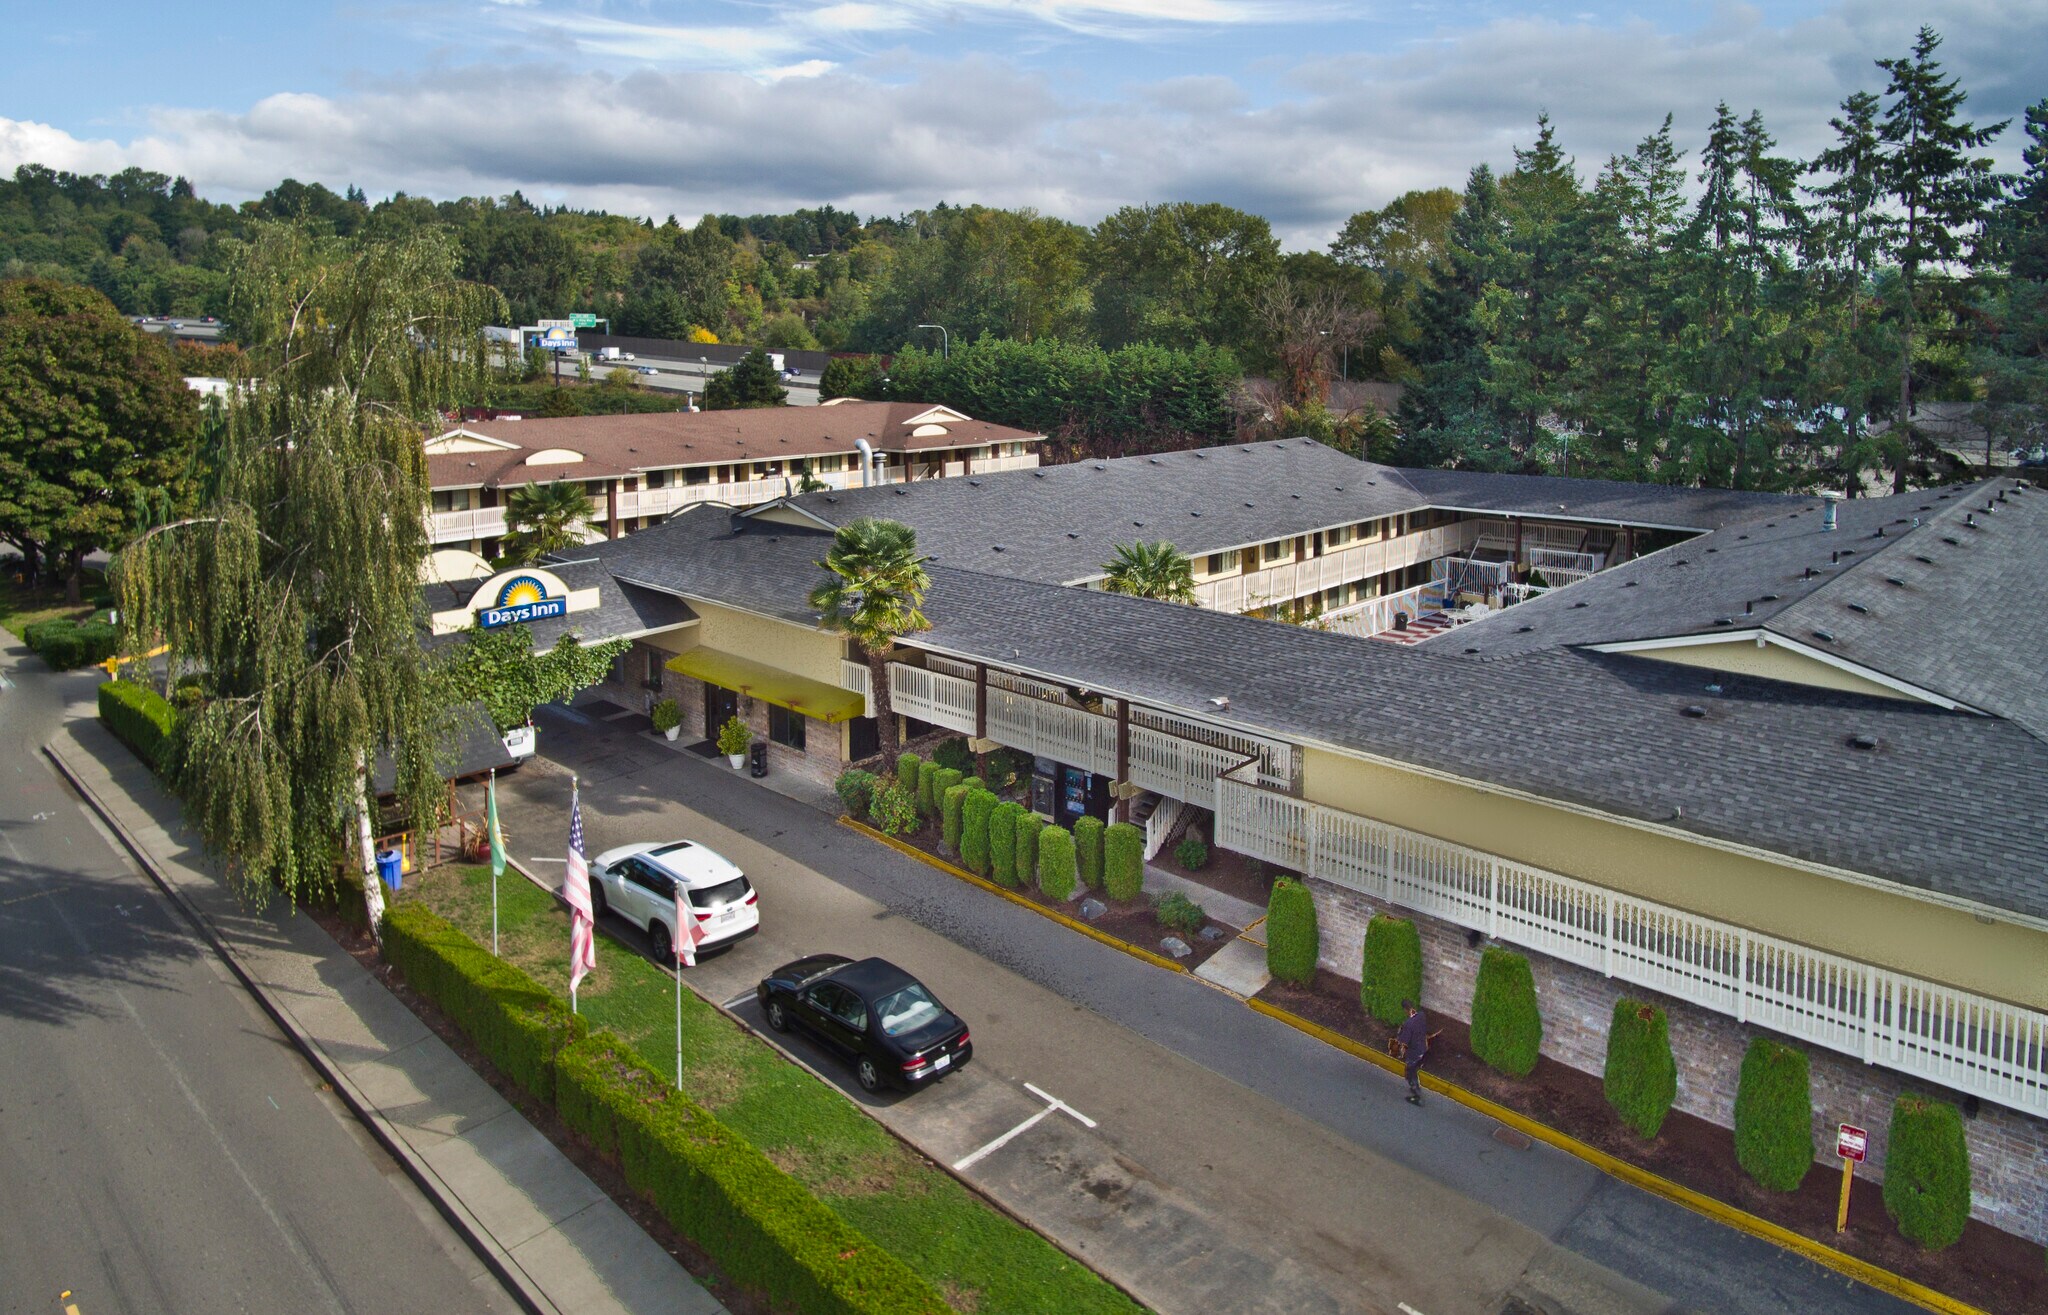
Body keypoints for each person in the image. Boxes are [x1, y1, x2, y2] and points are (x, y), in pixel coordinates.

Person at [1396, 998, 1429, 1106]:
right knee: (1413, 1069)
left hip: (1414, 1052)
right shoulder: (1421, 1015)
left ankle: (1417, 1095)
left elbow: (1404, 1041)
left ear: (1405, 1009)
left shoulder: (1408, 1024)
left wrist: (1399, 1034)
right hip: (1422, 1048)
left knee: (1410, 1072)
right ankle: (1414, 1087)